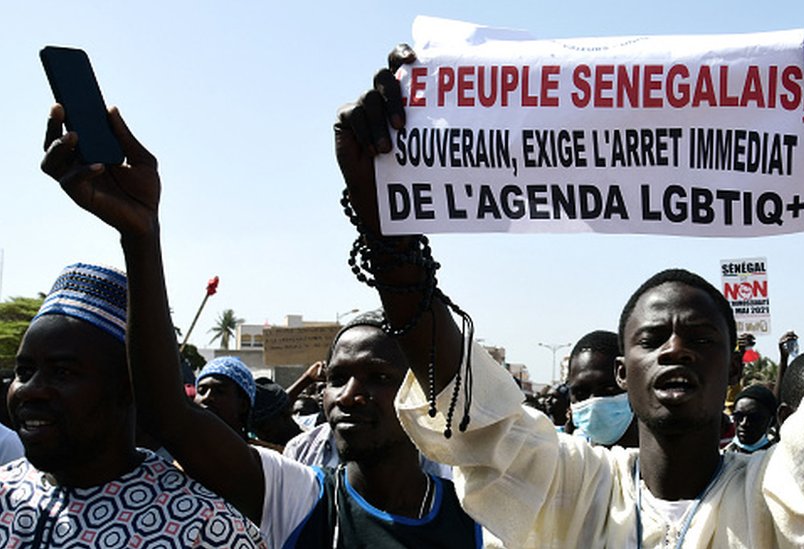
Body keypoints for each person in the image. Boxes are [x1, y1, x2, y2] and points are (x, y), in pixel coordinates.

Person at [334, 7, 804, 546]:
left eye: (702, 338)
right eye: (653, 339)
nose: (676, 348)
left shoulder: (776, 491)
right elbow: (470, 408)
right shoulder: (573, 486)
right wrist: (385, 224)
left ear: (733, 370)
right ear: (623, 373)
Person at [40, 104, 488, 548]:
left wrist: (384, 209)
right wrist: (140, 234)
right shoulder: (300, 498)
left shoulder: (481, 515)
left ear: (422, 395)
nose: (349, 395)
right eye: (337, 378)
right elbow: (169, 416)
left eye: (379, 377)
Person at [2, 262, 265, 547]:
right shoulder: (6, 491)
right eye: (24, 372)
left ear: (128, 387)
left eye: (62, 372)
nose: (30, 390)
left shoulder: (204, 529)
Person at [565, 330, 638, 447]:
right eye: (580, 393)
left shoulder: (663, 454)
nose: (594, 404)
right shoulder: (568, 453)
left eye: (608, 390)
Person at [195, 356, 256, 439]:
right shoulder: (182, 445)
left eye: (220, 391)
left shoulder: (251, 448)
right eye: (201, 391)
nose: (207, 397)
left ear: (243, 405)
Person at [725, 384, 776, 453]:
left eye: (754, 418)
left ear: (770, 420)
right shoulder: (722, 456)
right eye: (738, 416)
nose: (743, 423)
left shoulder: (778, 457)